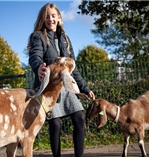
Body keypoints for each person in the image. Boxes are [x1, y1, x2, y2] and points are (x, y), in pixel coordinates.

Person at [28, 3, 95, 157]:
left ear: (59, 17)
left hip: (67, 86)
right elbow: (35, 56)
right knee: (55, 124)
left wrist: (85, 88)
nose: (50, 19)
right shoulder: (38, 36)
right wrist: (38, 67)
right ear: (42, 19)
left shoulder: (65, 39)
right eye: (47, 16)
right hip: (50, 88)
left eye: (53, 15)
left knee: (79, 117)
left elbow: (73, 68)